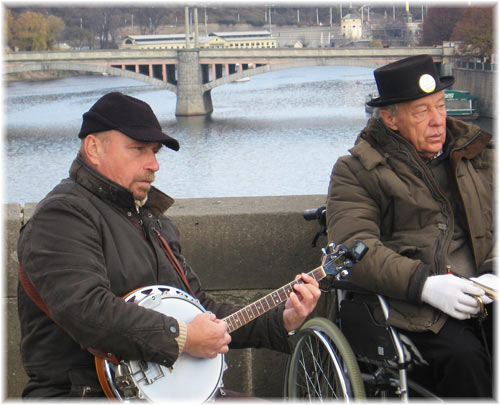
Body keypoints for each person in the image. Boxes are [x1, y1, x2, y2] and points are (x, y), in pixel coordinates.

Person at [17, 91, 321, 399]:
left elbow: (201, 310)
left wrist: (280, 319)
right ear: (94, 148)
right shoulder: (62, 216)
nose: (154, 165)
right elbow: (87, 311)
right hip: (83, 393)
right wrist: (184, 338)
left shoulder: (151, 221)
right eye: (138, 149)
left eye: (155, 152)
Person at [326, 54, 495, 398]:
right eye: (422, 112)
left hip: (483, 290)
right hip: (410, 306)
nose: (438, 122)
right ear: (390, 119)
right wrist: (425, 285)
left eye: (441, 106)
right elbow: (352, 252)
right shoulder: (356, 171)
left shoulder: (480, 154)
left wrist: (493, 270)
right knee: (464, 357)